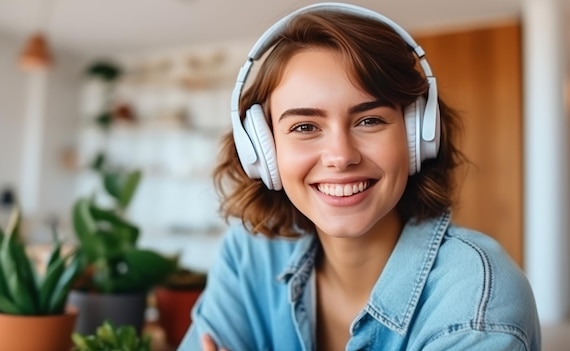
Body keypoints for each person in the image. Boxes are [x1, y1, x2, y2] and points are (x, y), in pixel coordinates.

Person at [178, 2, 541, 350]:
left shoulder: (477, 302)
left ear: (418, 136)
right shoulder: (250, 253)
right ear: (262, 150)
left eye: (369, 120)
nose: (341, 156)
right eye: (305, 126)